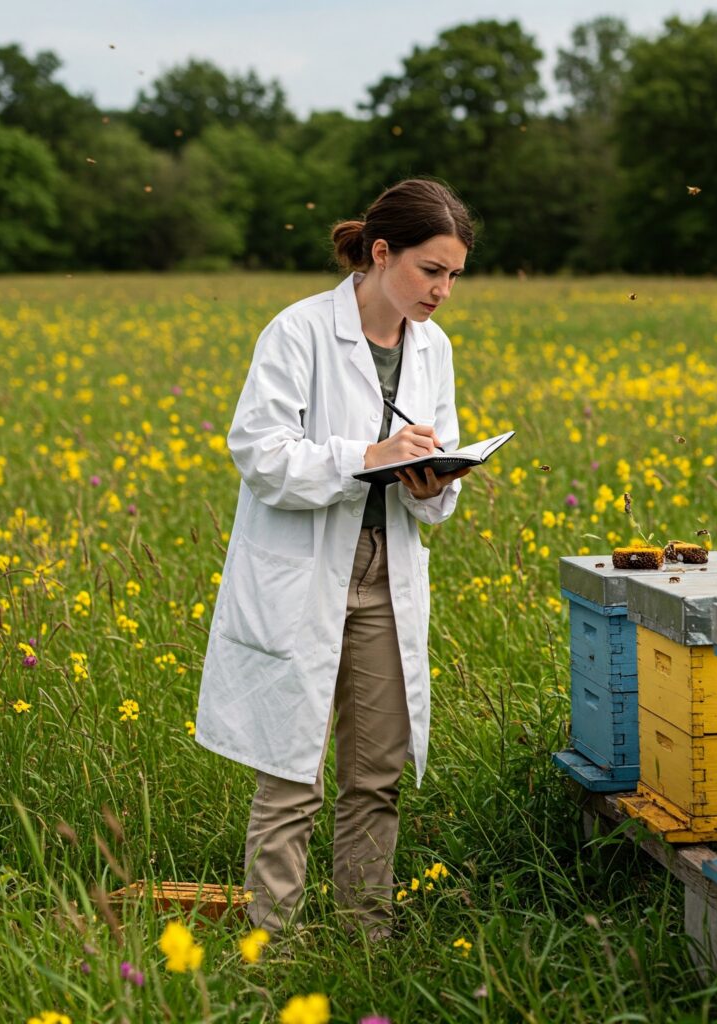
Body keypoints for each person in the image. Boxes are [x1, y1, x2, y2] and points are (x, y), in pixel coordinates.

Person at [194, 178, 474, 940]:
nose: (443, 291)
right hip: (305, 572)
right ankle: (272, 945)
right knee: (290, 774)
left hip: (387, 573)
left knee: (375, 776)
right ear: (382, 254)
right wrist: (367, 455)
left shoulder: (434, 348)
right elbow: (259, 453)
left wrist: (430, 480)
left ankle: (364, 938)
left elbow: (433, 472)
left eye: (453, 275)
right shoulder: (298, 332)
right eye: (430, 270)